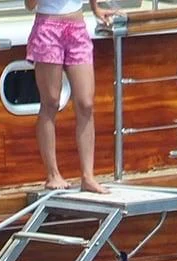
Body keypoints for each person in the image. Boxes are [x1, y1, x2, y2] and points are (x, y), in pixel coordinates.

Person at [25, 0, 115, 193]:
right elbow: (30, 5)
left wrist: (95, 8)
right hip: (48, 27)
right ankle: (52, 174)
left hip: (77, 27)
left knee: (86, 103)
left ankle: (88, 177)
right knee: (51, 102)